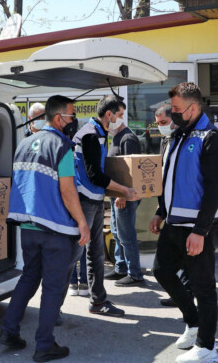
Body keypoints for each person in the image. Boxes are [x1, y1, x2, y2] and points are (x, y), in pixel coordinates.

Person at [0, 95, 91, 363]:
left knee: (29, 277)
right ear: (60, 118)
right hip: (55, 228)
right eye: (73, 116)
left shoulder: (25, 143)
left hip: (28, 226)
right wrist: (82, 222)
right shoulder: (61, 146)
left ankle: (8, 331)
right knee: (52, 286)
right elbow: (67, 190)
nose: (75, 121)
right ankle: (44, 345)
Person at [150, 82, 218, 363]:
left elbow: (214, 189)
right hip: (173, 222)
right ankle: (193, 324)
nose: (173, 114)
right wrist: (160, 210)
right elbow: (170, 178)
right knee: (161, 272)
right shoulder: (178, 135)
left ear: (193, 108)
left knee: (203, 286)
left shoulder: (210, 137)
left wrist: (200, 231)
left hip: (196, 226)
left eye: (178, 110)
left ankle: (207, 347)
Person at [72, 95, 137, 317]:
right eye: (119, 115)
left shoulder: (98, 133)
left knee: (95, 254)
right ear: (108, 114)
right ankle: (53, 308)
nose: (121, 120)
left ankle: (98, 301)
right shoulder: (90, 135)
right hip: (86, 201)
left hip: (94, 200)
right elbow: (94, 175)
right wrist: (124, 190)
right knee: (74, 254)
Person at [102, 97, 144, 287]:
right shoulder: (116, 137)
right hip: (116, 195)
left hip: (124, 196)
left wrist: (123, 195)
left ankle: (135, 273)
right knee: (117, 233)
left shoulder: (128, 138)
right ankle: (121, 268)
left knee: (126, 234)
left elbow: (131, 170)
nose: (120, 118)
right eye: (118, 114)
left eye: (121, 115)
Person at [154, 104, 184, 307]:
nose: (161, 127)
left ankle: (186, 299)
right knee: (163, 266)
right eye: (157, 124)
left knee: (185, 261)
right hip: (169, 210)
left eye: (164, 123)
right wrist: (160, 212)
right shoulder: (166, 141)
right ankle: (182, 296)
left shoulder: (184, 141)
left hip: (184, 211)